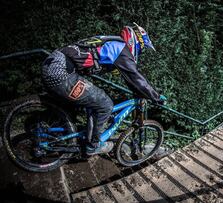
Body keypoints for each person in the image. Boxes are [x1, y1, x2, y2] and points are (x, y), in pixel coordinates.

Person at [41, 22, 165, 155]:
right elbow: (135, 77)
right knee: (105, 104)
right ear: (136, 40)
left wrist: (140, 92)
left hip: (53, 65)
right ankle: (92, 145)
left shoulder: (111, 42)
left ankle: (59, 131)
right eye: (141, 48)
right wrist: (155, 97)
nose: (140, 52)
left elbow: (130, 79)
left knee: (91, 102)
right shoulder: (121, 48)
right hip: (60, 72)